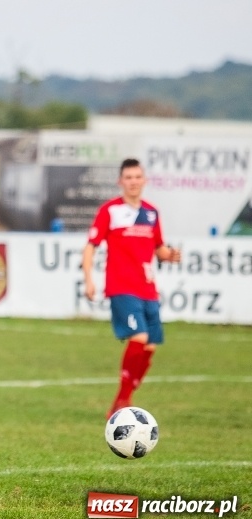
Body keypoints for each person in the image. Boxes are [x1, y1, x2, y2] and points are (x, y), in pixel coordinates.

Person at [82, 158, 181, 419]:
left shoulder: (151, 212)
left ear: (144, 180)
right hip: (121, 286)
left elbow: (158, 247)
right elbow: (91, 245)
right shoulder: (110, 211)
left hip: (148, 288)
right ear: (120, 182)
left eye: (138, 177)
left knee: (150, 347)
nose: (133, 182)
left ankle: (124, 397)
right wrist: (89, 279)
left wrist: (169, 254)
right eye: (128, 177)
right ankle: (122, 400)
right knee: (139, 338)